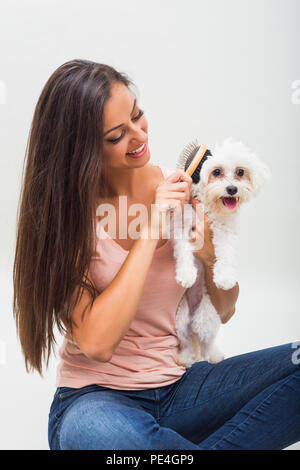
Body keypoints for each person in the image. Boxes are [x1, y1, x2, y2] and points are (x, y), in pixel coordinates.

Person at [13, 59, 300, 450]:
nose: (138, 135)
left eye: (137, 115)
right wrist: (151, 226)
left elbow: (225, 311)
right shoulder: (65, 222)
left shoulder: (186, 190)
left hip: (182, 388)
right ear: (81, 150)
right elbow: (97, 343)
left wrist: (210, 253)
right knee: (94, 434)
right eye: (116, 135)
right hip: (97, 401)